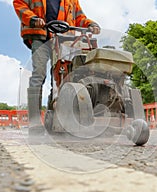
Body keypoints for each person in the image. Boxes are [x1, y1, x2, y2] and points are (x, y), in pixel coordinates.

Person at [13, 0, 100, 136]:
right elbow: (19, 4)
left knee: (63, 75)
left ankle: (57, 116)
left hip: (63, 39)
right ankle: (34, 122)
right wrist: (33, 19)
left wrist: (90, 24)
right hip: (40, 36)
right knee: (39, 74)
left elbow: (79, 17)